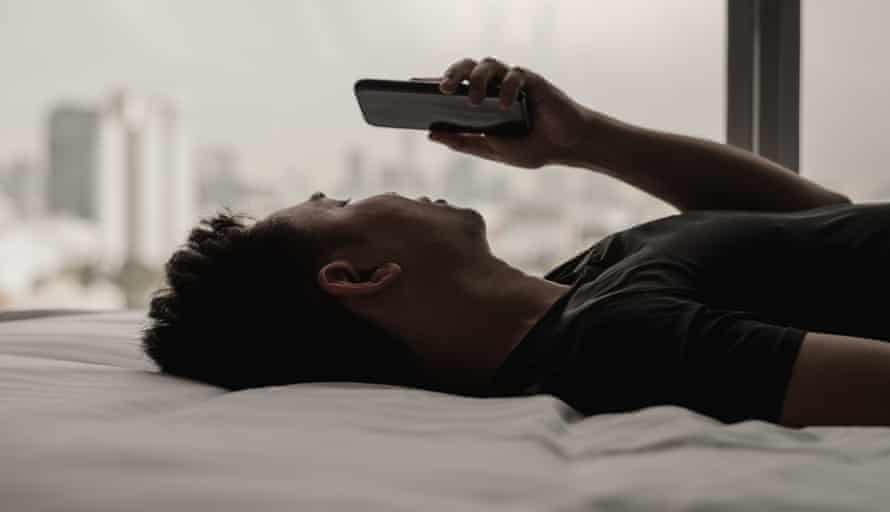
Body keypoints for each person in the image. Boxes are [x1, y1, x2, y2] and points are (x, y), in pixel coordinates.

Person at [143, 56, 890, 428]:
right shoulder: (616, 344)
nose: (392, 189)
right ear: (359, 275)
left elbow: (819, 217)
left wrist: (581, 139)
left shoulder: (581, 289)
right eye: (338, 201)